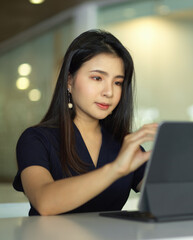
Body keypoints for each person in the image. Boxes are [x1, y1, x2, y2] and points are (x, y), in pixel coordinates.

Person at [12, 29, 158, 216]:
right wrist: (115, 169)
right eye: (97, 78)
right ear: (69, 81)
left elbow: (167, 198)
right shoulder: (36, 140)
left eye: (118, 82)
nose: (109, 92)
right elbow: (44, 201)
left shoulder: (124, 145)